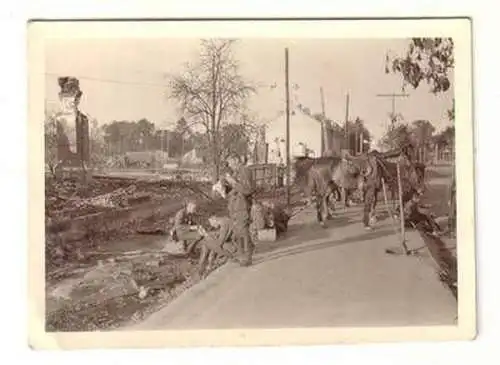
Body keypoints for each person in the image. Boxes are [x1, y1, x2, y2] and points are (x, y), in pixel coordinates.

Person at [225, 153, 254, 266]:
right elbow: (236, 189)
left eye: (231, 163)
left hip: (242, 206)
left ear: (237, 160)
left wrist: (233, 182)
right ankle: (243, 254)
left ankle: (247, 256)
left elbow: (247, 190)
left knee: (243, 231)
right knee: (238, 231)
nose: (230, 166)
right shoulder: (236, 172)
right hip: (235, 207)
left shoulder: (245, 171)